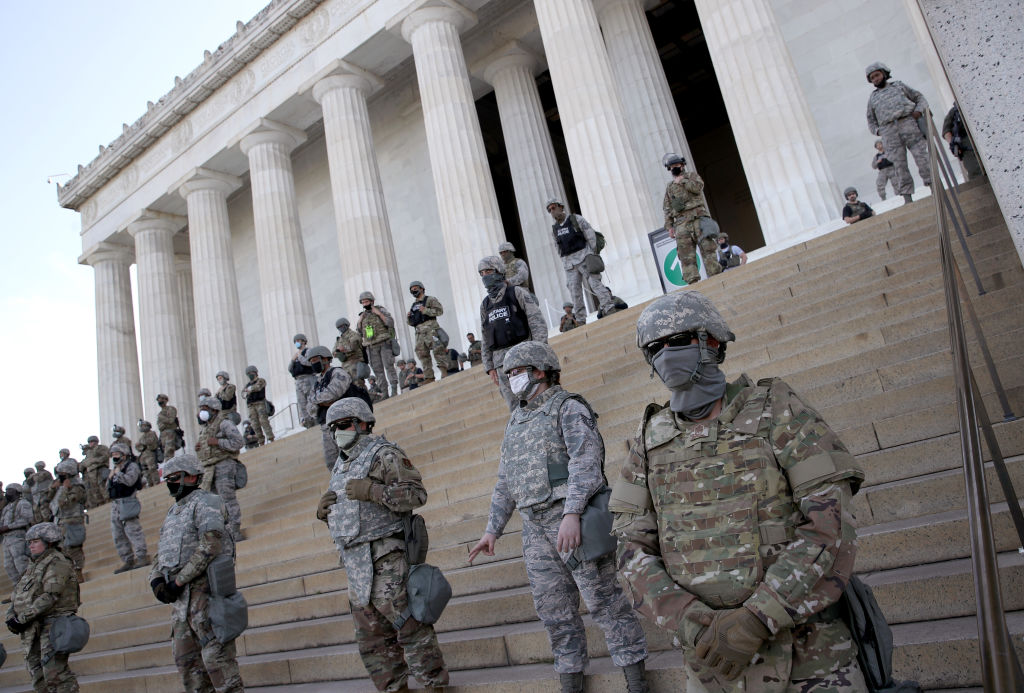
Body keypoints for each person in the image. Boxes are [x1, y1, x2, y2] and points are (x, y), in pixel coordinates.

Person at [610, 290, 866, 692]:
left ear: (712, 342)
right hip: (711, 662)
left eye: (677, 341)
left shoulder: (777, 410)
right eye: (654, 348)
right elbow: (630, 549)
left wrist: (759, 616)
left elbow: (830, 523)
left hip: (810, 656)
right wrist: (689, 621)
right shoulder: (649, 439)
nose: (665, 354)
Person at [468, 342, 649, 693]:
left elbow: (586, 463)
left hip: (571, 522)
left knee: (604, 601)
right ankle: (570, 681)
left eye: (516, 372)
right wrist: (492, 530)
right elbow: (506, 481)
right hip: (535, 529)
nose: (510, 380)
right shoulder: (516, 420)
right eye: (507, 375)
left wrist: (572, 513)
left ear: (539, 371)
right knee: (554, 612)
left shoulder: (567, 408)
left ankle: (636, 680)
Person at [316, 398, 449, 692]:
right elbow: (351, 515)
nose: (338, 432)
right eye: (333, 428)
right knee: (372, 640)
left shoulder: (384, 454)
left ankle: (434, 685)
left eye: (343, 425)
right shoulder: (341, 465)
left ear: (363, 423)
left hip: (386, 558)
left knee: (411, 628)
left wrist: (373, 490)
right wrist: (326, 513)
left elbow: (416, 494)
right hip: (356, 564)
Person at [149, 453, 244, 693]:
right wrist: (157, 579)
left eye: (174, 477)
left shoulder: (207, 502)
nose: (170, 483)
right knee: (188, 664)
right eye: (167, 478)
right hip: (181, 603)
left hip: (205, 593)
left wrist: (179, 581)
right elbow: (161, 552)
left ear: (191, 477)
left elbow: (210, 545)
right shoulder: (173, 512)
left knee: (217, 659)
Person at [5, 522, 81, 692]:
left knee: (55, 674)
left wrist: (21, 618)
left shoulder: (57, 562)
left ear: (49, 542)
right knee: (37, 676)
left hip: (53, 624)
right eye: (29, 542)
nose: (30, 545)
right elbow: (17, 595)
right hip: (32, 626)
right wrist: (11, 616)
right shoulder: (34, 564)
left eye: (35, 541)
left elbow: (50, 596)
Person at [478, 255, 549, 411]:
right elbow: (485, 336)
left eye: (488, 271)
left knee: (534, 400)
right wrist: (489, 367)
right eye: (481, 273)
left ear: (499, 271)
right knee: (514, 408)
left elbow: (536, 322)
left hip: (523, 356)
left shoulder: (517, 292)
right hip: (501, 364)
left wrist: (539, 352)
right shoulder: (485, 305)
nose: (485, 276)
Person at [865, 61, 930, 204]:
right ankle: (907, 197)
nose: (875, 79)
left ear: (884, 73)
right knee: (899, 166)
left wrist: (918, 111)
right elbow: (871, 120)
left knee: (922, 158)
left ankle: (933, 185)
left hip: (908, 124)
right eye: (872, 78)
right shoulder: (873, 98)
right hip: (889, 133)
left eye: (877, 75)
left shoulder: (899, 86)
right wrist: (878, 131)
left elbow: (919, 97)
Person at [546, 198, 617, 322]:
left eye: (553, 207)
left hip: (584, 256)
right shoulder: (554, 229)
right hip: (569, 264)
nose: (552, 211)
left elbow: (590, 235)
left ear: (561, 207)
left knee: (596, 284)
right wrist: (564, 262)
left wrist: (592, 254)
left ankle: (609, 308)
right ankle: (580, 319)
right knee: (575, 292)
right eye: (549, 210)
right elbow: (558, 248)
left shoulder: (576, 219)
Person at [308, 345, 372, 470]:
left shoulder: (338, 373)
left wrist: (318, 401)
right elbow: (309, 408)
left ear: (325, 359)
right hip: (327, 427)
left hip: (345, 423)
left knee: (353, 455)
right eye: (311, 362)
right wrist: (321, 401)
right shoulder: (317, 383)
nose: (313, 363)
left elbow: (332, 394)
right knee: (332, 462)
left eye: (315, 360)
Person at [661, 153, 721, 286]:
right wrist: (670, 227)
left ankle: (716, 278)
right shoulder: (670, 187)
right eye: (671, 167)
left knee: (708, 249)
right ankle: (693, 283)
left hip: (698, 219)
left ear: (682, 165)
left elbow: (697, 188)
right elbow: (667, 208)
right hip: (681, 223)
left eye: (676, 165)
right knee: (686, 256)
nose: (674, 168)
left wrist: (682, 181)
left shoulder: (692, 177)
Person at [195, 396, 245, 542]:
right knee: (214, 503)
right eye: (201, 409)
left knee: (227, 499)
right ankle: (222, 532)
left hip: (224, 465)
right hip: (209, 469)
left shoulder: (224, 424)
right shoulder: (205, 429)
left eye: (205, 409)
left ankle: (234, 531)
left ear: (213, 409)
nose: (202, 412)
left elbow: (238, 442)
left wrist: (218, 442)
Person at [108, 442, 149, 574]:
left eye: (117, 454)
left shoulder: (132, 467)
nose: (114, 457)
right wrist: (110, 478)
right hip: (116, 505)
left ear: (124, 455)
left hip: (128, 502)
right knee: (118, 535)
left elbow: (130, 481)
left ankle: (142, 556)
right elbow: (108, 489)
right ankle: (128, 560)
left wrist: (118, 474)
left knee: (133, 531)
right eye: (113, 455)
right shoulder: (115, 469)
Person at [48, 458, 88, 582]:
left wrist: (64, 489)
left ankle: (78, 573)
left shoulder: (77, 487)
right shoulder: (61, 486)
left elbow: (63, 503)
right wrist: (53, 489)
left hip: (72, 521)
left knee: (74, 548)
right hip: (61, 522)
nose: (59, 477)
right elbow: (50, 503)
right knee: (62, 550)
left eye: (62, 474)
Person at [357, 291, 400, 399]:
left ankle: (394, 389)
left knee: (389, 366)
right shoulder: (363, 316)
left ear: (371, 301)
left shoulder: (380, 310)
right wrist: (360, 321)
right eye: (363, 302)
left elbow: (390, 323)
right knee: (377, 370)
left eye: (366, 301)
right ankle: (384, 393)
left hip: (384, 343)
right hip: (371, 347)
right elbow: (359, 332)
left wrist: (379, 314)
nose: (365, 304)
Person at [406, 281, 449, 384]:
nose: (414, 290)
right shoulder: (414, 304)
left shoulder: (430, 299)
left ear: (421, 288)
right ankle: (429, 377)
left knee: (437, 349)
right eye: (412, 289)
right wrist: (409, 318)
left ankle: (444, 371)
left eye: (416, 288)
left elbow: (440, 311)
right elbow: (412, 322)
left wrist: (426, 310)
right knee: (422, 354)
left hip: (431, 328)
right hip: (419, 332)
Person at [1, 484, 33, 585]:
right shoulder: (7, 507)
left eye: (9, 490)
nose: (6, 493)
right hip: (6, 539)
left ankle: (30, 586)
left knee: (20, 563)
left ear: (16, 491)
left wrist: (8, 527)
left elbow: (27, 519)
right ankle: (19, 589)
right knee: (8, 565)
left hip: (18, 537)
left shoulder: (23, 503)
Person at [942, 103, 983, 180]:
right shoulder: (954, 112)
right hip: (967, 147)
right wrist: (953, 145)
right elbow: (945, 131)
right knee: (975, 171)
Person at [289, 333, 318, 429]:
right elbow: (290, 369)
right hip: (299, 380)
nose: (297, 343)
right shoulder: (296, 355)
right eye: (295, 342)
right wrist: (293, 360)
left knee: (311, 401)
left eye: (298, 341)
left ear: (303, 341)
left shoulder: (308, 351)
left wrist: (300, 356)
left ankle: (315, 420)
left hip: (308, 379)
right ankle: (308, 423)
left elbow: (309, 363)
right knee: (302, 404)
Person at [242, 365, 275, 446]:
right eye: (248, 373)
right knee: (255, 424)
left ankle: (270, 438)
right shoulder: (247, 385)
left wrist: (250, 390)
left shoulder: (261, 380)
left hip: (260, 403)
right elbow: (243, 394)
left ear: (255, 373)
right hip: (251, 405)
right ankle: (260, 441)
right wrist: (248, 390)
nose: (250, 375)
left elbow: (258, 387)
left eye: (251, 373)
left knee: (263, 421)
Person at [334, 317, 368, 388]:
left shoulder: (354, 335)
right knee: (350, 386)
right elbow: (334, 352)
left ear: (346, 325)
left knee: (359, 384)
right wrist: (338, 352)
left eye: (342, 326)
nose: (341, 328)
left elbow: (353, 347)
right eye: (339, 327)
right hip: (345, 365)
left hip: (355, 362)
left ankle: (365, 398)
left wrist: (343, 349)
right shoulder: (339, 339)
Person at [80, 435, 109, 508]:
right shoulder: (89, 452)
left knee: (103, 487)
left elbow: (105, 456)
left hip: (100, 469)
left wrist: (94, 461)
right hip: (92, 473)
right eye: (89, 442)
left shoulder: (101, 448)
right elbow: (85, 463)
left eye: (91, 442)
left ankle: (107, 500)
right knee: (95, 490)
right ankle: (100, 503)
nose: (90, 444)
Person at [135, 419, 162, 487]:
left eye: (143, 425)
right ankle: (150, 483)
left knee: (152, 468)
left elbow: (149, 441)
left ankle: (156, 482)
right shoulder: (142, 437)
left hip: (150, 454)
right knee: (145, 470)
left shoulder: (152, 433)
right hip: (143, 455)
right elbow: (138, 446)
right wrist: (141, 444)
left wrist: (142, 443)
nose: (141, 427)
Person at [157, 393, 183, 459]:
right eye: (159, 400)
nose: (160, 401)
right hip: (163, 434)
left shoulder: (171, 409)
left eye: (162, 399)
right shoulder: (160, 413)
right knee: (165, 453)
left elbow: (171, 420)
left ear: (166, 400)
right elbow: (160, 426)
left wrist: (162, 418)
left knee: (169, 453)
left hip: (170, 433)